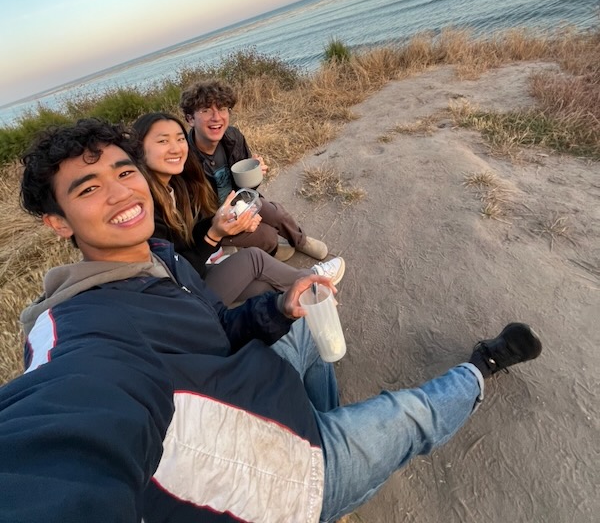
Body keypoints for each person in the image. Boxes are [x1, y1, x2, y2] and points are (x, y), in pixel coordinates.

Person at [0, 118, 543, 523]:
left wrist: (279, 307)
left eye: (122, 171)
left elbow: (218, 329)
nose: (120, 191)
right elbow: (62, 436)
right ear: (57, 222)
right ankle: (484, 364)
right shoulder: (74, 329)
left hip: (253, 389)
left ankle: (328, 414)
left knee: (306, 321)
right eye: (89, 188)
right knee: (412, 415)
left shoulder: (159, 256)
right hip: (273, 475)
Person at [131, 112, 345, 304]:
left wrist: (220, 219)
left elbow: (187, 236)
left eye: (179, 139)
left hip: (201, 255)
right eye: (163, 141)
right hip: (178, 298)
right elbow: (175, 272)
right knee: (255, 256)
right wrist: (214, 235)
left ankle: (305, 284)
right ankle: (314, 279)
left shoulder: (175, 184)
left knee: (264, 287)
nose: (176, 148)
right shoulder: (144, 207)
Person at [180, 79, 328, 262]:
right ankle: (269, 248)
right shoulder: (183, 160)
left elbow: (247, 187)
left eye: (222, 108)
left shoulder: (233, 138)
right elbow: (192, 220)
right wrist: (240, 223)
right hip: (214, 221)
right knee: (267, 236)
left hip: (241, 200)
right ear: (190, 119)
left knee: (276, 213)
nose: (217, 117)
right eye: (205, 110)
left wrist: (255, 174)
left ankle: (301, 240)